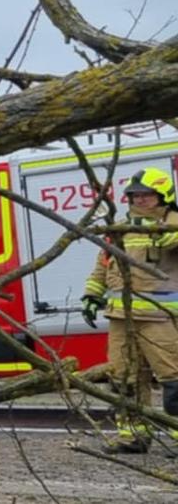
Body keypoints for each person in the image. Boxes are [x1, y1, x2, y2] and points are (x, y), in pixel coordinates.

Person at [81, 167, 178, 453]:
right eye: (134, 195)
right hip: (120, 318)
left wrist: (165, 231)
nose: (139, 199)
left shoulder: (173, 224)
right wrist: (92, 295)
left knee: (173, 378)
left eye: (146, 195)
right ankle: (133, 436)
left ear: (163, 196)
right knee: (124, 379)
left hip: (160, 319)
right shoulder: (121, 227)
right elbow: (103, 264)